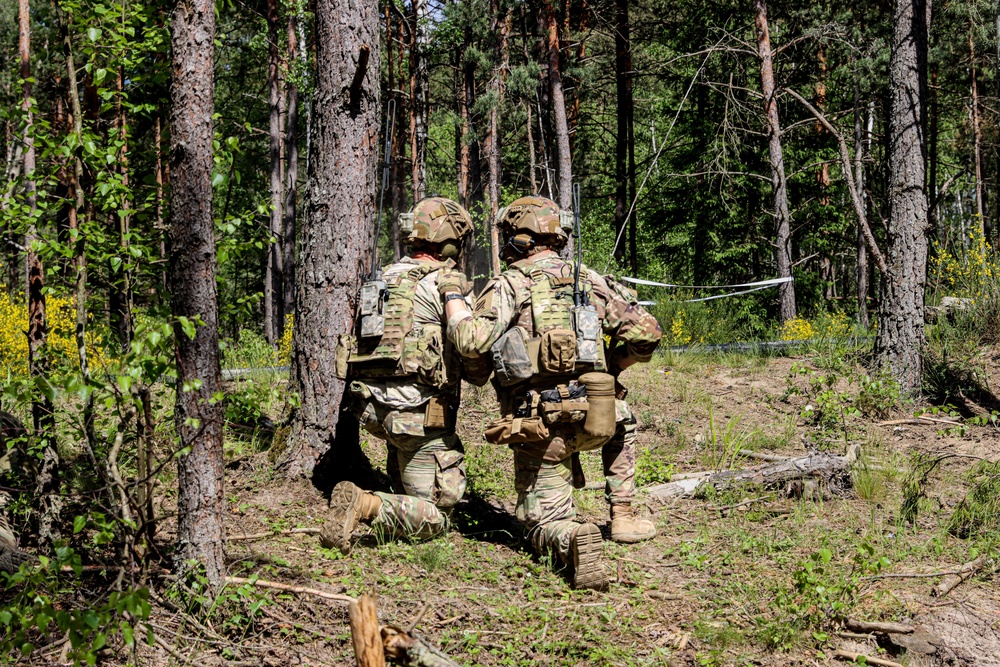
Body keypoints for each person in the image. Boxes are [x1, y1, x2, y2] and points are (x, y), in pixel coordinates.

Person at [441, 195, 662, 589]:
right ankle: (623, 515)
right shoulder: (587, 279)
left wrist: (454, 301)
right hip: (601, 420)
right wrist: (613, 366)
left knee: (538, 523)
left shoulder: (510, 283)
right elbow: (647, 333)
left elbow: (472, 343)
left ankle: (570, 536)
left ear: (516, 238)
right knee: (621, 413)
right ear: (557, 236)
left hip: (542, 426)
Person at [320, 197, 476, 554]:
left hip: (371, 411)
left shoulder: (381, 279)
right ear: (449, 241)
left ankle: (396, 489)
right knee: (438, 515)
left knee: (409, 479)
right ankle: (364, 504)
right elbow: (472, 351)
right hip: (419, 419)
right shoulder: (445, 284)